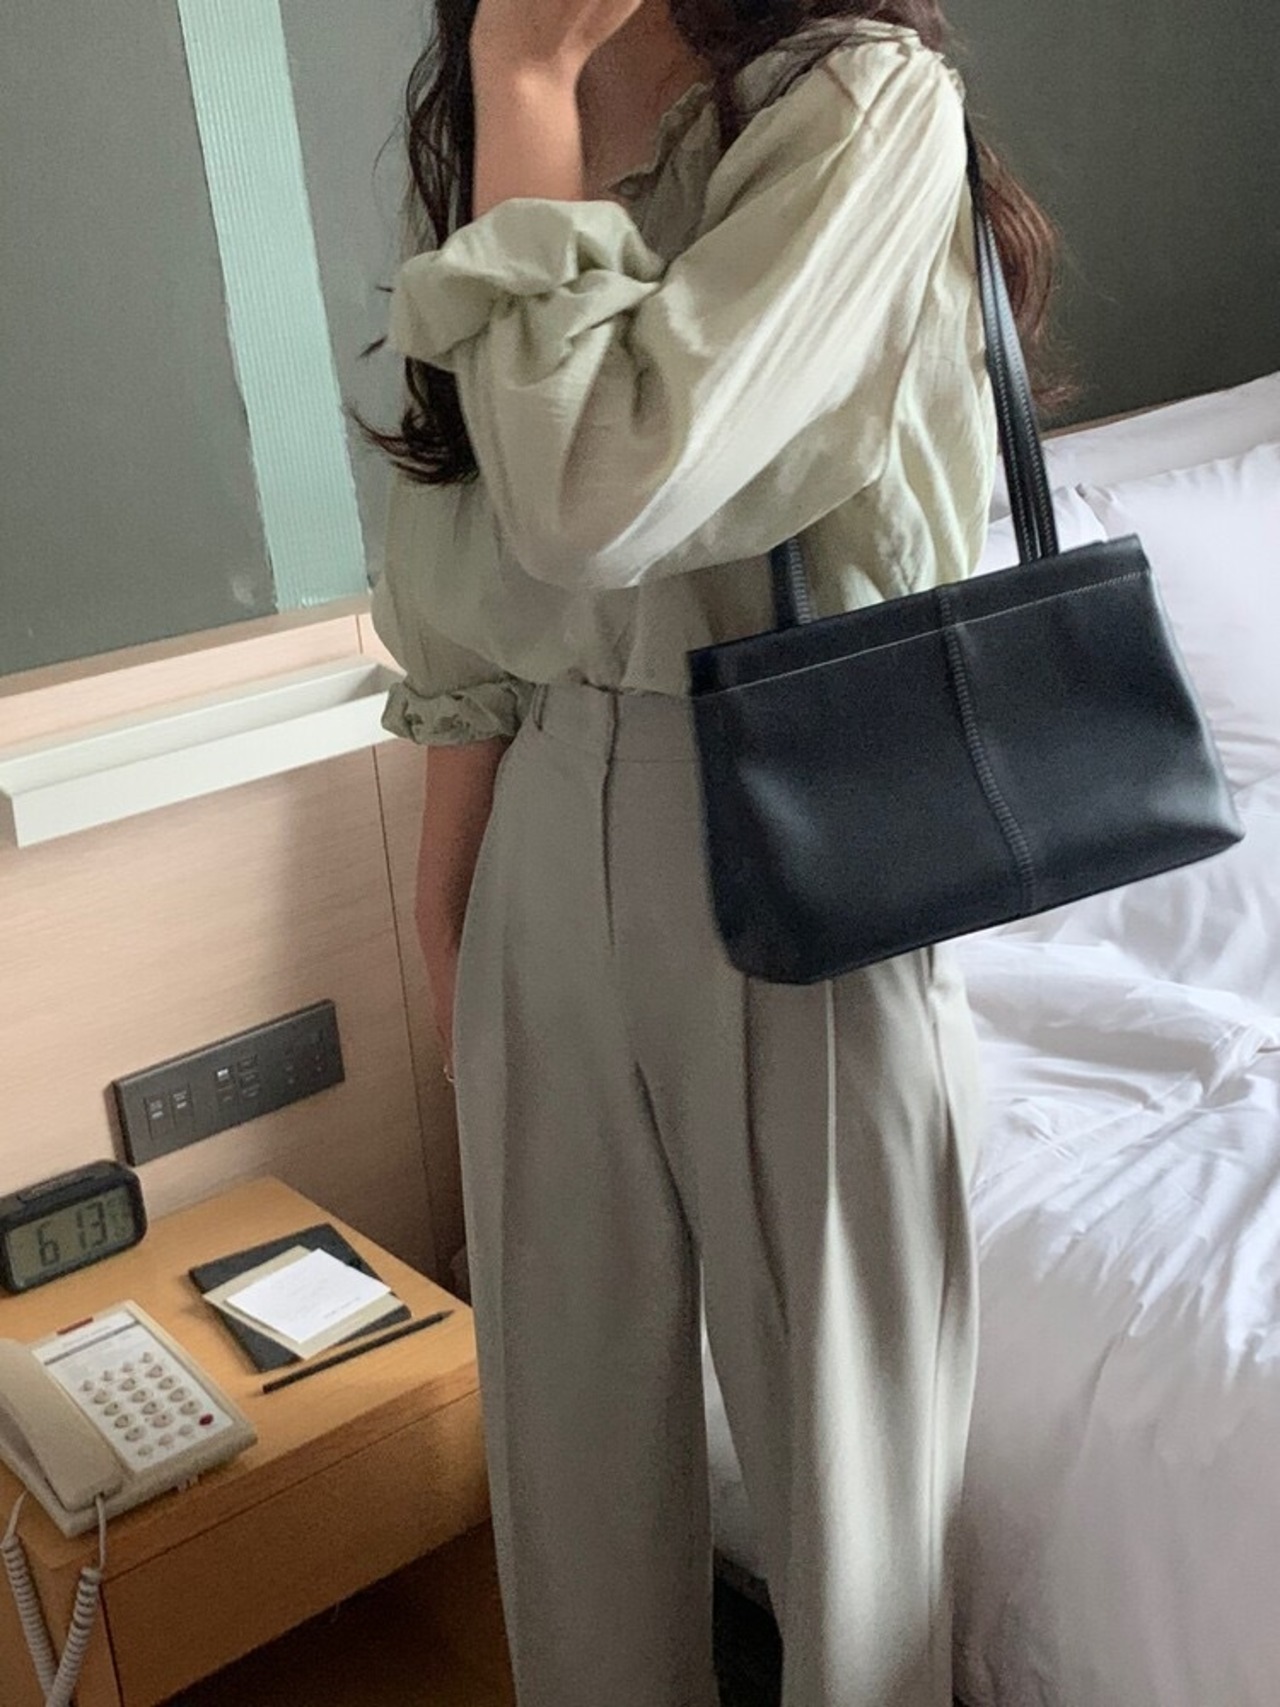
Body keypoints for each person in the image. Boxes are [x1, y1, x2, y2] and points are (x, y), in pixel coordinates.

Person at [356, 3, 1064, 1703]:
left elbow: (593, 494)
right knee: (569, 1478)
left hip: (803, 823)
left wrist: (524, 84)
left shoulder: (860, 101)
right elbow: (464, 555)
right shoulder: (505, 99)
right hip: (542, 817)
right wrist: (450, 908)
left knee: (851, 1490)